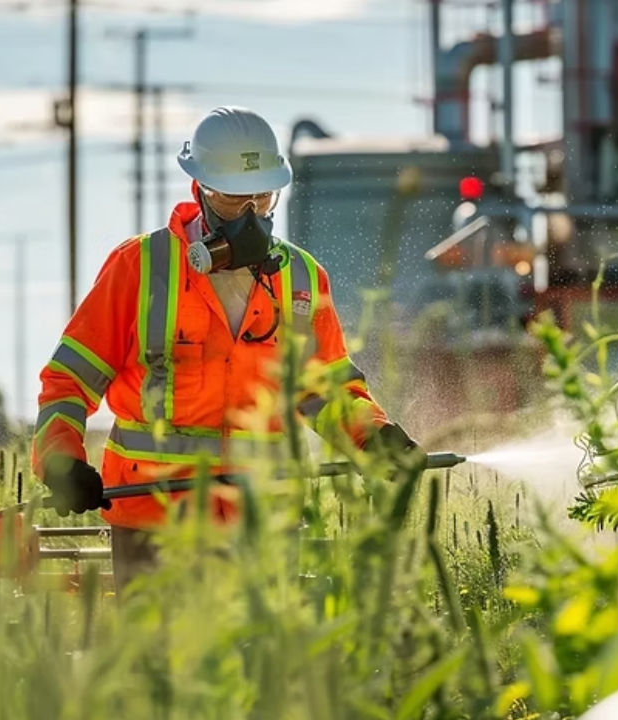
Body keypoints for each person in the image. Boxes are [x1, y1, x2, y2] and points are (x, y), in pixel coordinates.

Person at [31, 105, 426, 592]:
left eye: (262, 198)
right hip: (153, 518)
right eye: (234, 199)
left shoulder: (300, 278)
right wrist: (62, 462)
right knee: (158, 664)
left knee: (257, 667)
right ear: (199, 191)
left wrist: (373, 437)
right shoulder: (139, 267)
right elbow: (67, 383)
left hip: (263, 519)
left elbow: (323, 390)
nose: (251, 216)